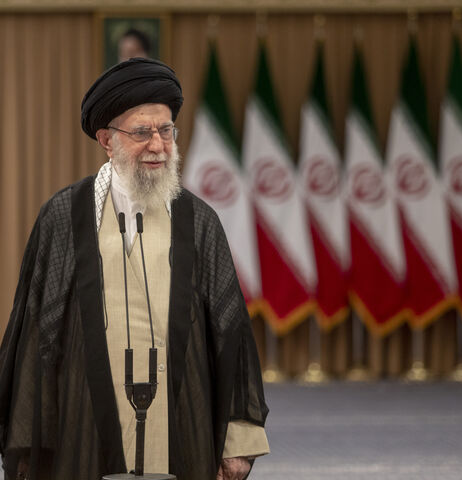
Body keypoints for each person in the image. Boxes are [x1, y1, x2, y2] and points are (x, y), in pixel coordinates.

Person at [0, 58, 269, 480]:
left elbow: (230, 333)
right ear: (107, 140)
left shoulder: (198, 221)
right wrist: (29, 448)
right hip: (84, 430)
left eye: (166, 131)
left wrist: (238, 443)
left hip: (183, 425)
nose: (158, 145)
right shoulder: (63, 216)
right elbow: (37, 333)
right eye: (142, 132)